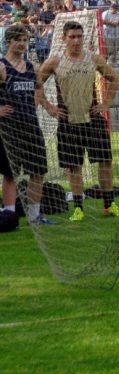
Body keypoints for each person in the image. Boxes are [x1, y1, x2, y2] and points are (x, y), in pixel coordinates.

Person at [38, 20, 119, 221]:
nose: (76, 41)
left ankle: (109, 204)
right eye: (72, 37)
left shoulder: (93, 58)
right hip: (68, 121)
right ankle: (78, 207)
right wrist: (50, 107)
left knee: (105, 161)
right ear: (63, 38)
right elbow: (36, 84)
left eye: (80, 36)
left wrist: (105, 103)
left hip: (93, 119)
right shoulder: (54, 61)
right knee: (73, 166)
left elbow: (115, 78)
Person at [0, 25, 56, 225]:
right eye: (19, 40)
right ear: (9, 42)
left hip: (31, 125)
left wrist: (46, 105)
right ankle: (8, 214)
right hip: (10, 129)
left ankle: (34, 216)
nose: (23, 44)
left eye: (25, 40)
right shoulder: (2, 66)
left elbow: (39, 87)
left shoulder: (31, 66)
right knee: (11, 172)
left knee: (38, 170)